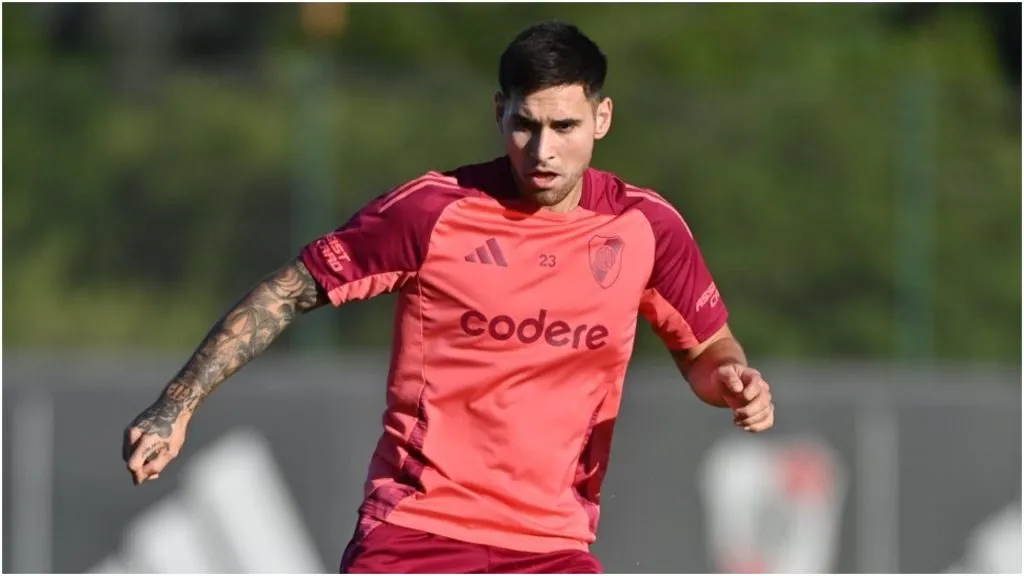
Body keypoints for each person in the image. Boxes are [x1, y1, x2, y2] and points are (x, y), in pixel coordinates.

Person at [123, 20, 775, 574]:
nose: (543, 150)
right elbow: (290, 293)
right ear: (499, 113)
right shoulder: (433, 212)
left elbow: (705, 347)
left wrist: (732, 380)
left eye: (565, 126)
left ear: (602, 118)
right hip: (415, 535)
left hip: (553, 546)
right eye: (525, 125)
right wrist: (176, 403)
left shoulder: (646, 227)